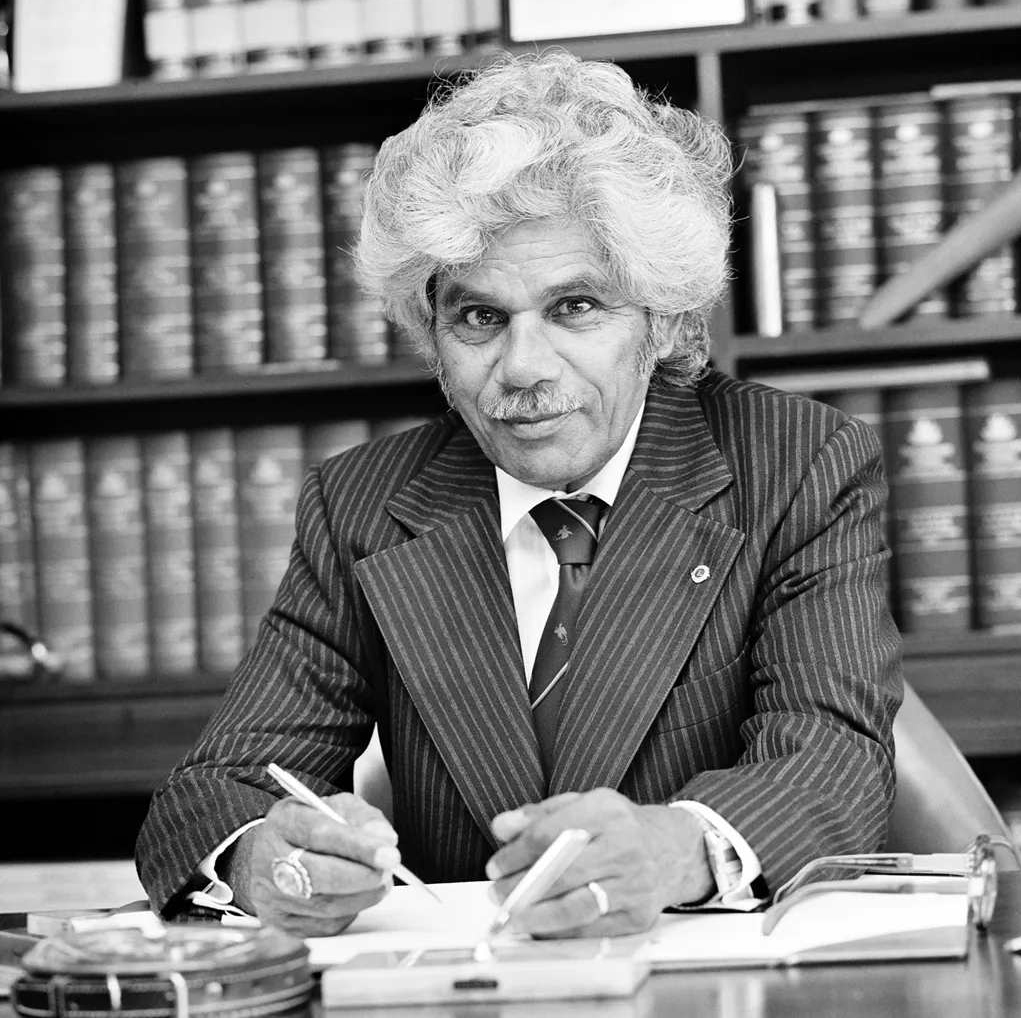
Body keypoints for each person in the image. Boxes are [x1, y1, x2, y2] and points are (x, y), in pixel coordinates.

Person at [136, 50, 902, 939]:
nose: (524, 370)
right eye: (479, 318)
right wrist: (260, 856)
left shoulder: (799, 464)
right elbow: (211, 792)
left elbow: (834, 757)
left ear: (660, 318)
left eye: (576, 307)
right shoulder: (361, 504)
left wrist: (672, 850)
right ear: (432, 334)